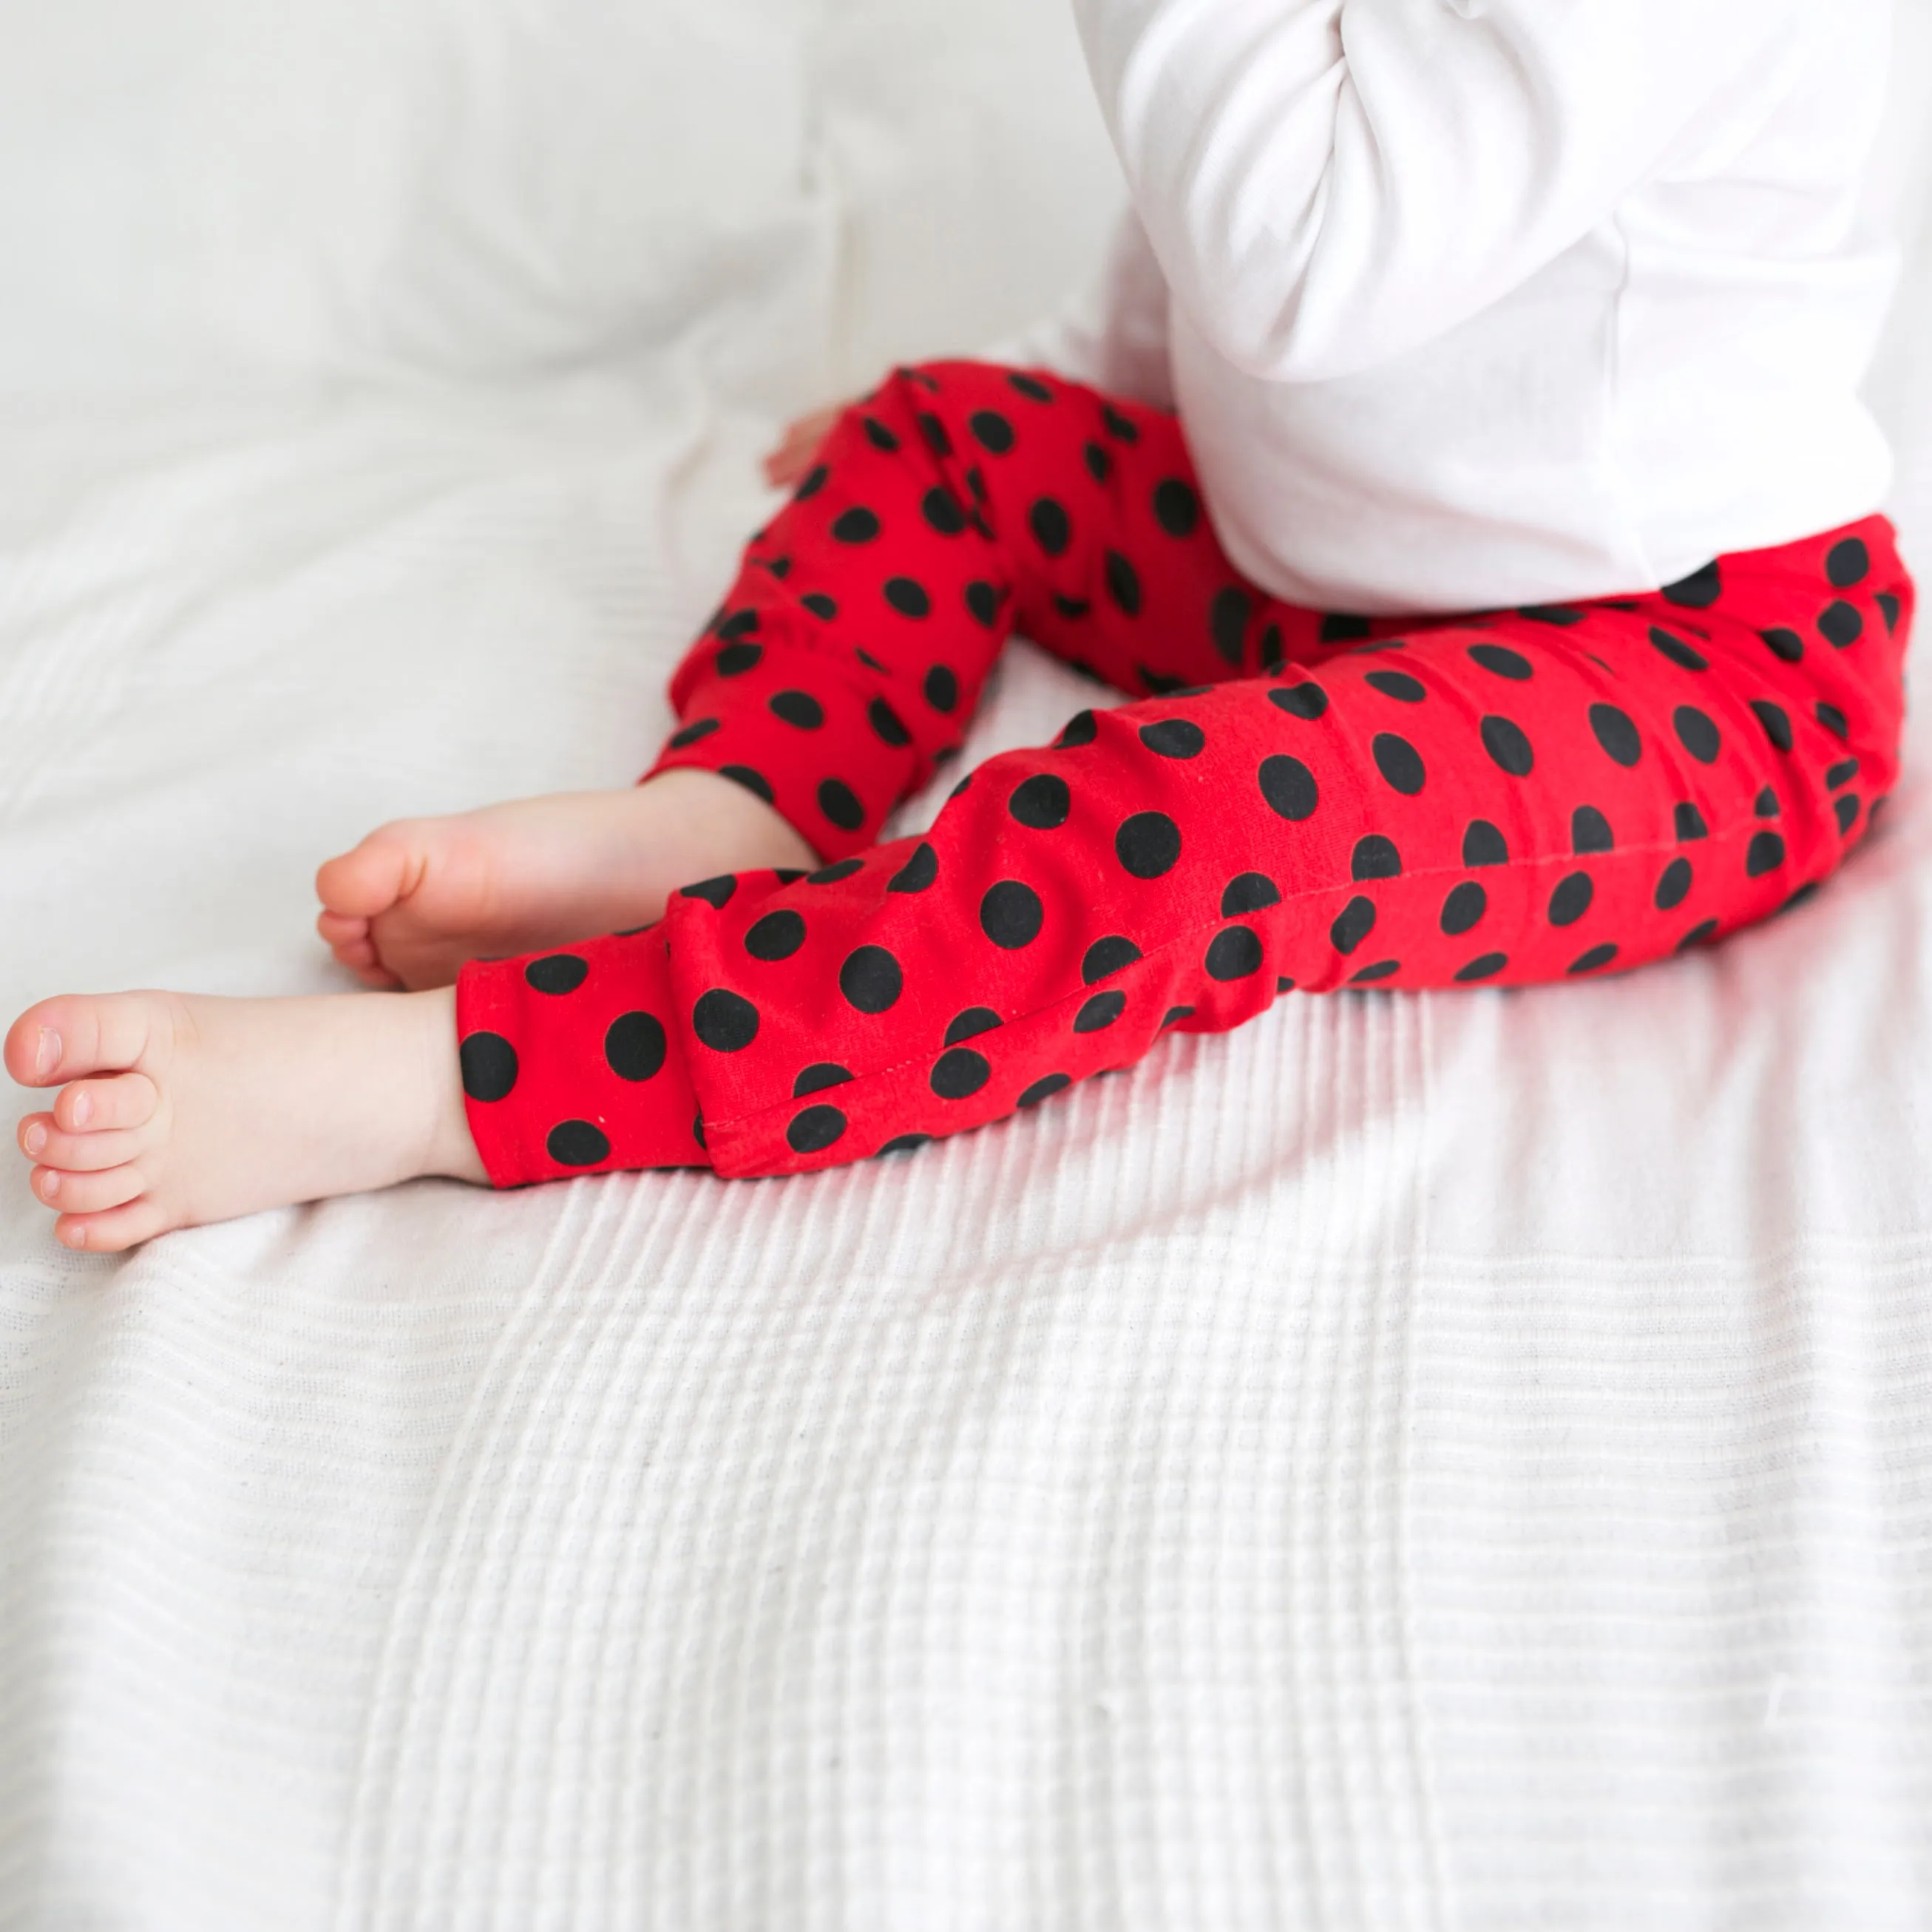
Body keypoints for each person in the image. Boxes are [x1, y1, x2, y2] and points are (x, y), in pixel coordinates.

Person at [8, 0, 1915, 1250]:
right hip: (1326, 577)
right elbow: (1206, 228)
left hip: (1701, 666)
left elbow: (1305, 252)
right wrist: (1053, 393)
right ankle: (739, 801)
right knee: (942, 427)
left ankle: (459, 1081)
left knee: (1205, 823)